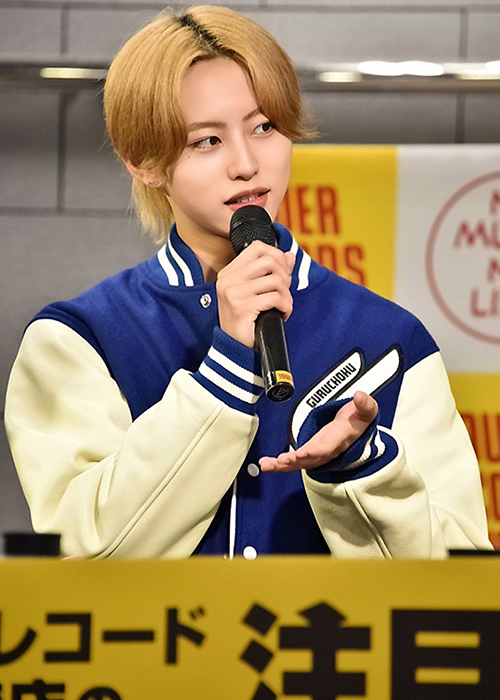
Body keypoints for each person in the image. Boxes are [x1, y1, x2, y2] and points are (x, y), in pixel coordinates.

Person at [5, 5, 492, 559]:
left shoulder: (392, 339)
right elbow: (81, 556)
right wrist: (226, 370)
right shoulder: (79, 339)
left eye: (264, 127)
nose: (246, 163)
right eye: (206, 141)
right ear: (142, 162)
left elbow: (459, 580)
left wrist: (362, 468)